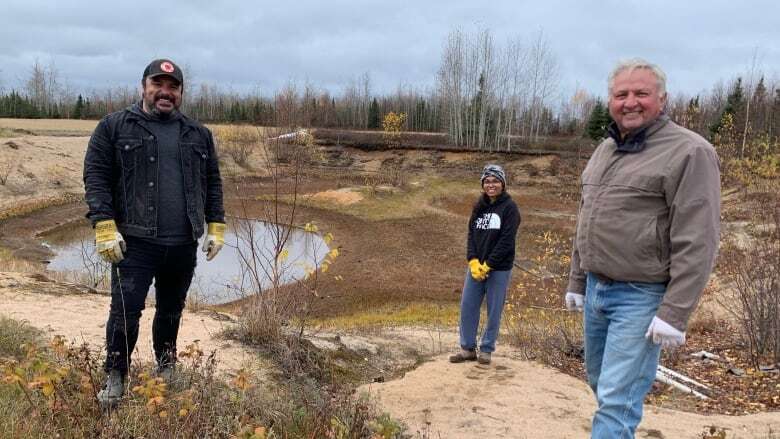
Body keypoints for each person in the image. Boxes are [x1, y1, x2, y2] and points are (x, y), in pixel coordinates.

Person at [564, 59, 720, 438]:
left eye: (641, 94)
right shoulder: (604, 150)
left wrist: (675, 312)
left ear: (662, 100)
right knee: (602, 386)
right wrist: (577, 280)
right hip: (599, 291)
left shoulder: (690, 152)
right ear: (610, 100)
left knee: (617, 401)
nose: (630, 102)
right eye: (621, 94)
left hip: (641, 297)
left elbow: (699, 238)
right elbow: (588, 218)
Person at [83, 58, 226, 407]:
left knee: (171, 311)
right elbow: (96, 176)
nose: (165, 92)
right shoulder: (114, 127)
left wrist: (215, 224)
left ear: (180, 92)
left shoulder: (198, 134)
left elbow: (212, 182)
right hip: (134, 244)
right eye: (157, 84)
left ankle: (166, 365)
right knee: (125, 313)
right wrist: (104, 224)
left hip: (181, 244)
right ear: (143, 86)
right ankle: (116, 375)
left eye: (173, 86)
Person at [450, 164, 520, 365]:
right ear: (483, 184)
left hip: (498, 268)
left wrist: (488, 265)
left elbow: (507, 241)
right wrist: (472, 261)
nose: (491, 185)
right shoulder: (479, 206)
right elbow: (471, 234)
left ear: (503, 184)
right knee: (468, 306)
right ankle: (467, 349)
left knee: (494, 309)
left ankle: (487, 349)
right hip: (476, 267)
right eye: (487, 181)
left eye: (495, 181)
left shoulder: (510, 208)